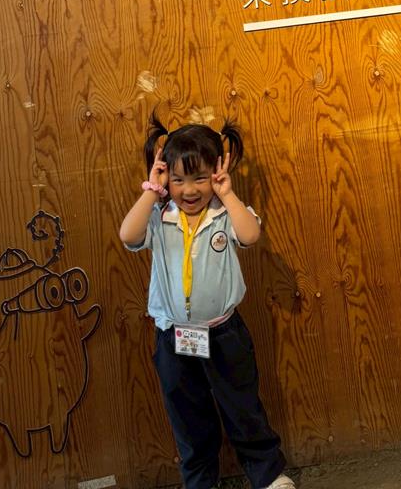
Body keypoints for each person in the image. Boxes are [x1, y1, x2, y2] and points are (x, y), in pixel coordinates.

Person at [119, 112, 295, 489]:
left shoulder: (223, 215)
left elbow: (250, 235)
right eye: (178, 180)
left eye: (199, 178)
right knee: (188, 419)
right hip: (174, 338)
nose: (189, 190)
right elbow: (127, 235)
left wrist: (227, 194)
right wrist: (151, 190)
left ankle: (268, 474)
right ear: (165, 178)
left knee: (243, 409)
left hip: (223, 333)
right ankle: (200, 482)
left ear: (216, 173)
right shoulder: (158, 217)